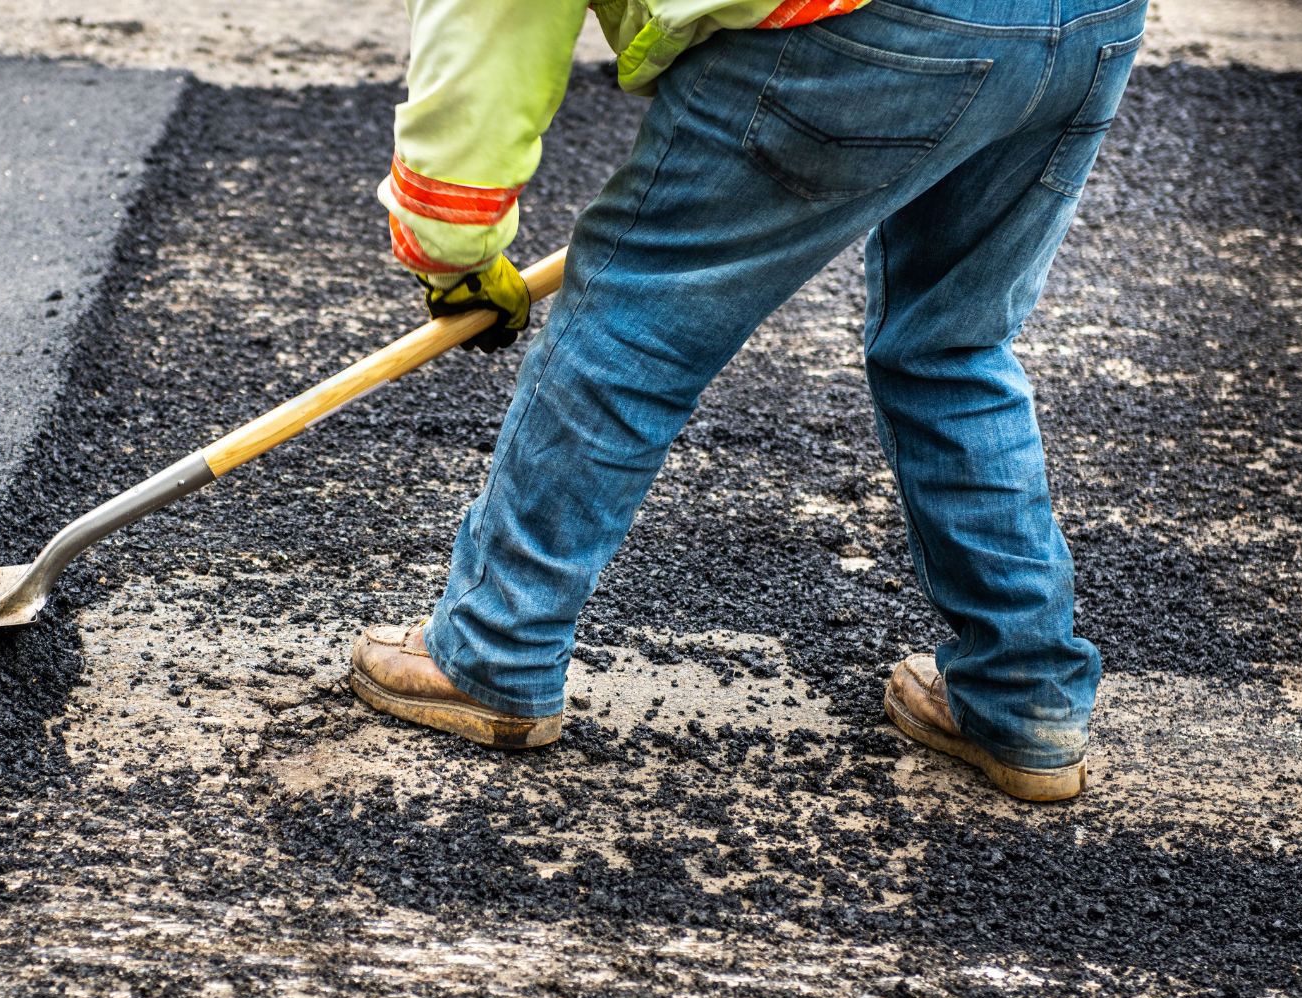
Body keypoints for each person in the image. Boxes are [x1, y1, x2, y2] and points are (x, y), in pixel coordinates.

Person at [348, 0, 1147, 802]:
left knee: (634, 322)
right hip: (1090, 23)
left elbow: (493, 22)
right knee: (954, 343)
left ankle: (493, 651)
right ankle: (1025, 697)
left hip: (865, 27)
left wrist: (452, 250)